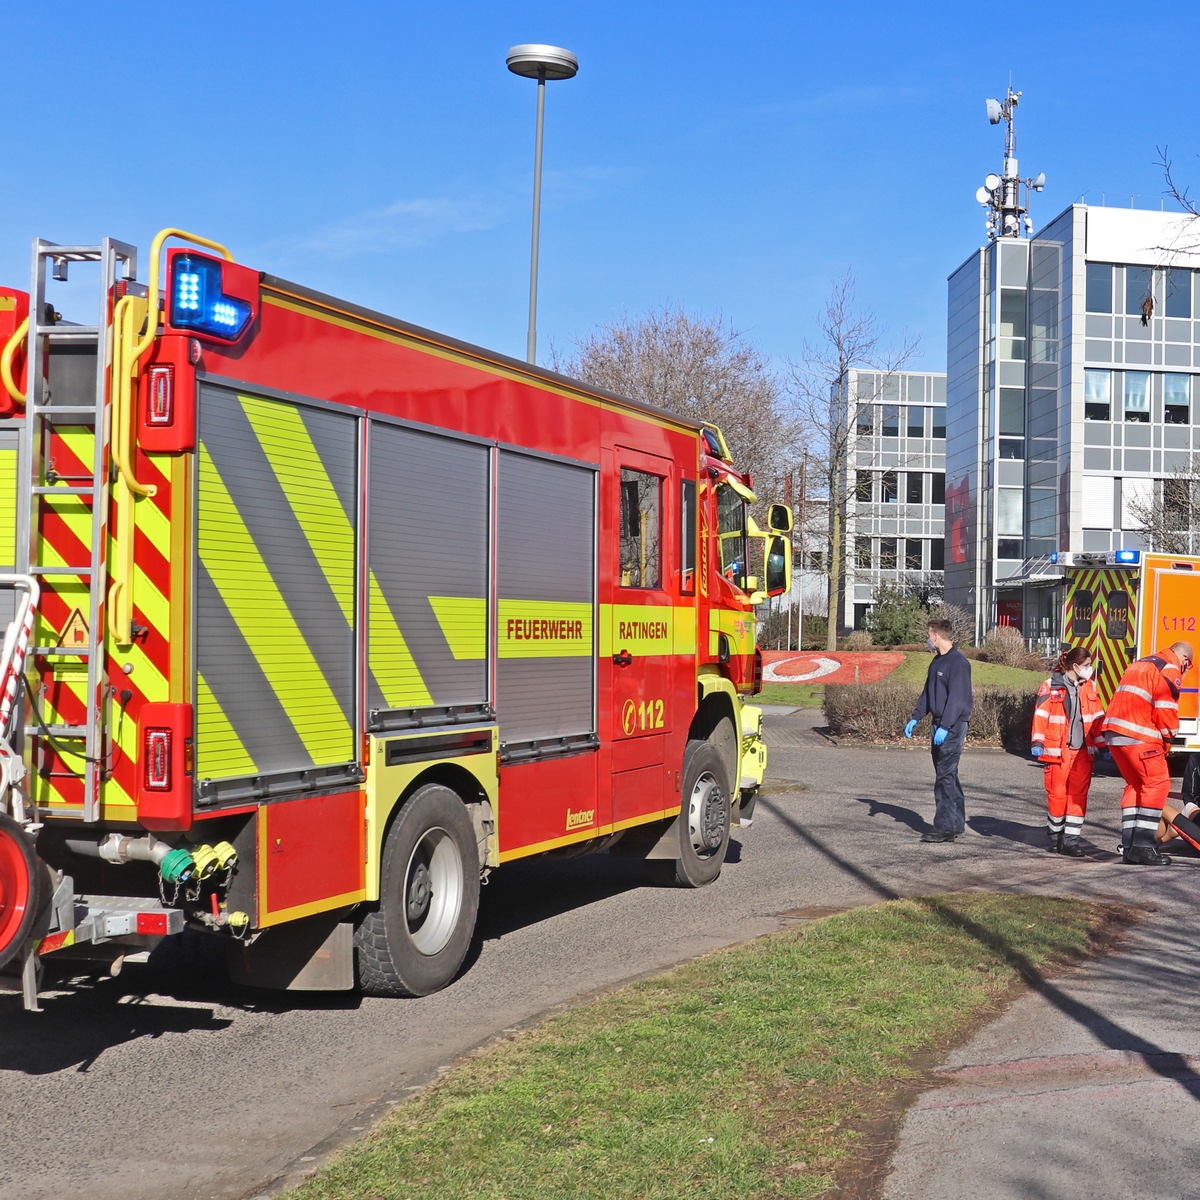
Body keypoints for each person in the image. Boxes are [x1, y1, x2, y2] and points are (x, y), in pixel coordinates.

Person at [1101, 640, 1194, 865]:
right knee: (1158, 783)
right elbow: (1166, 709)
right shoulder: (1170, 668)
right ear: (1185, 661)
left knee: (1136, 785)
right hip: (1140, 734)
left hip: (1116, 733)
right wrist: (1169, 738)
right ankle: (1143, 845)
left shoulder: (1140, 664)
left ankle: (1131, 846)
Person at [1031, 646, 1105, 856]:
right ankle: (1055, 838)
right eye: (1087, 666)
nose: (1090, 669)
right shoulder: (1051, 686)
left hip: (1082, 752)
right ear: (1075, 666)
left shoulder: (1090, 687)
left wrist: (1103, 744)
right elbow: (1041, 715)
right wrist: (1038, 741)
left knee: (1078, 796)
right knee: (1057, 796)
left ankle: (1071, 841)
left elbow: (1097, 719)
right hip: (1058, 751)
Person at [904, 618, 974, 842]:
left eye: (929, 634)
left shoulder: (958, 663)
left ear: (936, 636)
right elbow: (928, 693)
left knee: (944, 776)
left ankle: (944, 827)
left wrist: (945, 726)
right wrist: (916, 718)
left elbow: (958, 699)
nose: (927, 638)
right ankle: (956, 823)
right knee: (948, 775)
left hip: (952, 727)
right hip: (938, 725)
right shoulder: (936, 663)